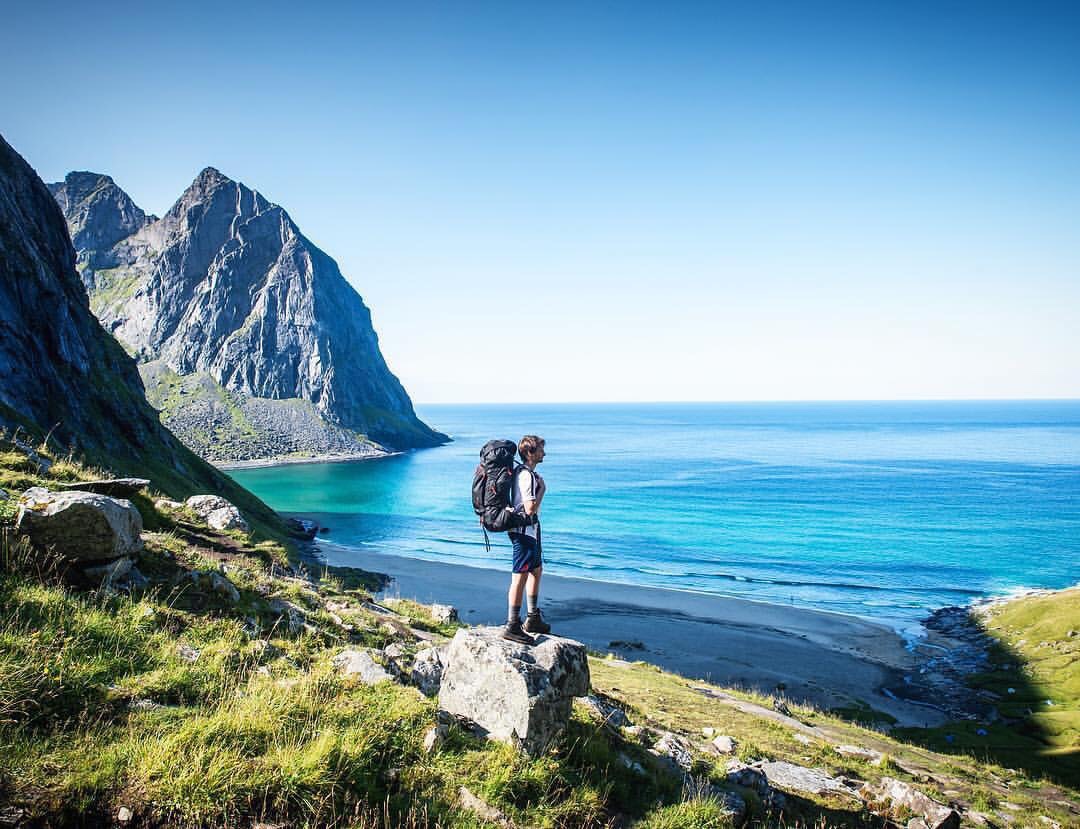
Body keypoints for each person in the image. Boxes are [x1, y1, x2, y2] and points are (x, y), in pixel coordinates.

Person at [502, 434, 551, 643]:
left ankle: (532, 618)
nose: (544, 453)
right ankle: (512, 624)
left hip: (528, 531)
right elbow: (530, 508)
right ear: (530, 453)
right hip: (523, 532)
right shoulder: (526, 476)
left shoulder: (525, 473)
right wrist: (542, 491)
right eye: (541, 449)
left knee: (536, 570)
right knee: (519, 576)